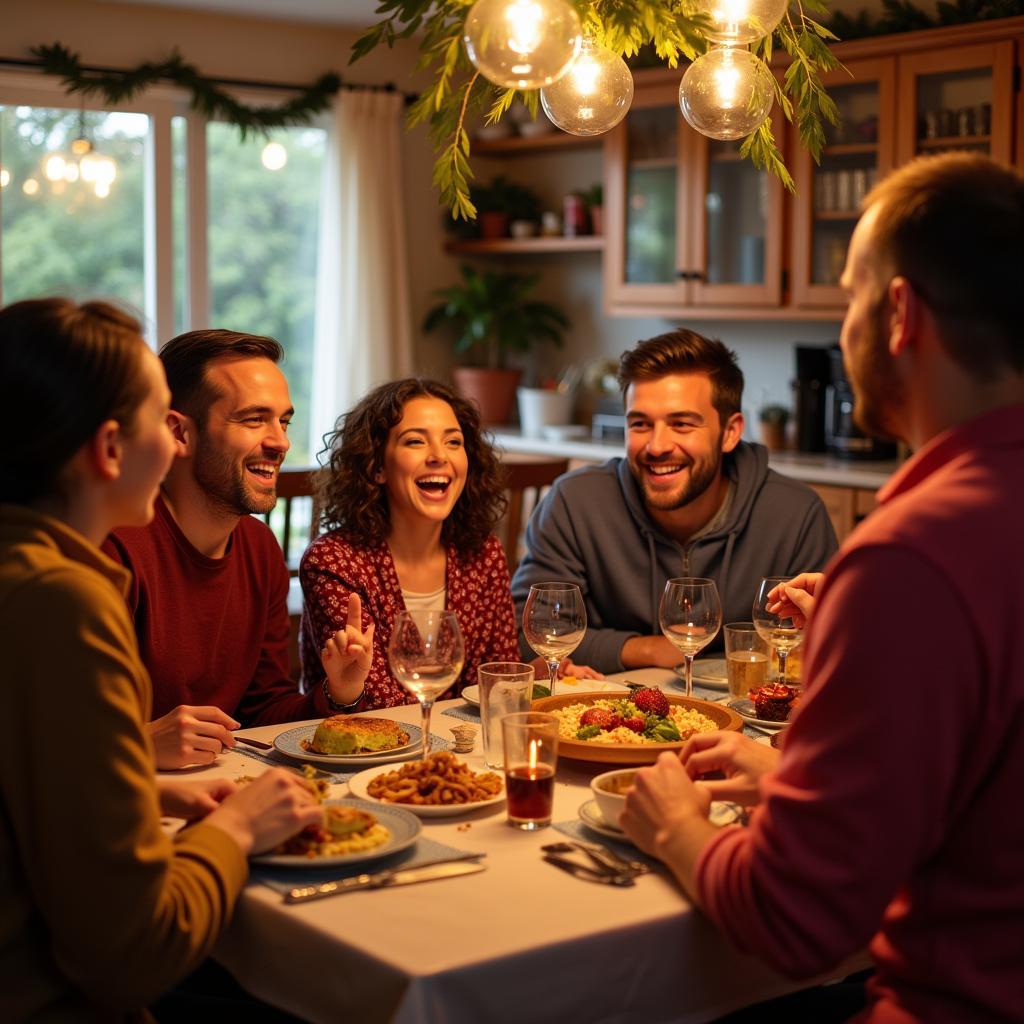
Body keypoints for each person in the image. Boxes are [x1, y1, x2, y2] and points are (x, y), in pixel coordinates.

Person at [621, 153, 1024, 1022]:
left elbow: (792, 917)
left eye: (848, 296)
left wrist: (672, 827)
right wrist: (790, 775)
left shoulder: (911, 557)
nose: (844, 326)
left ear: (899, 315)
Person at [0, 298, 323, 1020]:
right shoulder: (62, 601)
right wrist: (235, 830)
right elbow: (131, 953)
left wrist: (139, 792)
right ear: (113, 448)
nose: (173, 444)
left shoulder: (28, 571)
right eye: (159, 420)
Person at [510, 329, 838, 673]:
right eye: (640, 423)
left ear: (730, 432)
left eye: (681, 424)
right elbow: (526, 631)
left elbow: (836, 644)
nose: (657, 446)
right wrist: (646, 650)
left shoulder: (797, 515)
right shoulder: (574, 503)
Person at [104, 329, 349, 770]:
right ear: (179, 432)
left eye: (284, 421)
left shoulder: (260, 548)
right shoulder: (115, 548)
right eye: (254, 420)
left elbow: (262, 712)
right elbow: (48, 736)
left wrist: (335, 694)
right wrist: (137, 743)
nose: (280, 442)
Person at [300, 378, 525, 709]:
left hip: (465, 752)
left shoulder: (483, 553)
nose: (438, 456)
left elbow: (497, 681)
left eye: (453, 442)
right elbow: (372, 702)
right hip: (363, 753)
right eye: (416, 441)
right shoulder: (333, 561)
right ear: (377, 466)